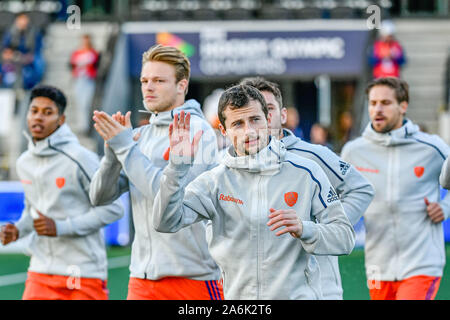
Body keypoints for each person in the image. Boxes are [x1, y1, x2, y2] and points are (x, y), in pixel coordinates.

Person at [152, 84, 356, 300]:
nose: (248, 131)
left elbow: (344, 238)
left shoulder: (306, 172)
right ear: (224, 130)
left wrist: (305, 229)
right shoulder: (214, 181)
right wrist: (176, 169)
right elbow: (165, 221)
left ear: (268, 119)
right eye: (238, 123)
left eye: (255, 120)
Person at [89, 44, 223, 300]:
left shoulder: (198, 130)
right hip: (141, 278)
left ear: (182, 86)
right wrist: (112, 155)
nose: (148, 87)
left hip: (192, 279)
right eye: (144, 80)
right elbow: (99, 197)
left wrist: (126, 148)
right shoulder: (138, 136)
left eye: (159, 80)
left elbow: (173, 202)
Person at [239, 76, 374, 299]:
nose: (263, 116)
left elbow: (361, 189)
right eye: (254, 110)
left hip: (320, 290)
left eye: (269, 108)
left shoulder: (313, 155)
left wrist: (325, 229)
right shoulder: (232, 165)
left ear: (283, 115)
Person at [0, 84, 124, 300]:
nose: (38, 118)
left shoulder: (80, 158)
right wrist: (19, 230)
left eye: (48, 113)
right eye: (34, 111)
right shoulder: (24, 162)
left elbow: (113, 209)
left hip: (83, 273)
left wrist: (61, 227)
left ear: (61, 120)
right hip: (40, 271)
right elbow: (34, 212)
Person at [341, 77, 450, 300]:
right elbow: (338, 197)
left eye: (385, 103)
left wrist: (446, 206)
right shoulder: (353, 151)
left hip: (422, 262)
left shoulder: (431, 147)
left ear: (403, 106)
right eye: (373, 103)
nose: (377, 109)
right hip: (378, 263)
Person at [1, 12, 45, 90]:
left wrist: (25, 57)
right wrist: (12, 55)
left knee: (39, 62)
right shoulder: (10, 32)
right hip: (14, 56)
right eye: (20, 20)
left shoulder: (34, 33)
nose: (23, 22)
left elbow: (36, 49)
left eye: (25, 20)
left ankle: (35, 83)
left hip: (29, 57)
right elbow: (6, 49)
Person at [70, 34, 100, 134]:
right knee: (79, 102)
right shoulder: (77, 53)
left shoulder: (93, 52)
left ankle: (86, 125)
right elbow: (72, 65)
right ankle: (80, 124)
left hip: (88, 80)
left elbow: (95, 64)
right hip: (79, 79)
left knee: (86, 102)